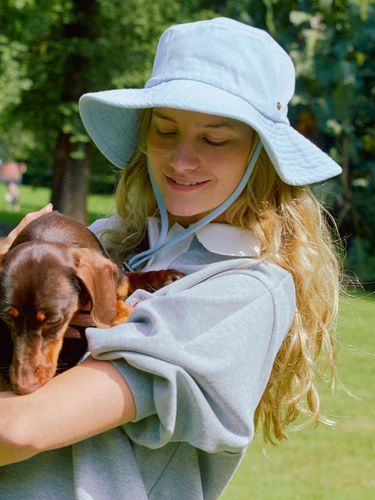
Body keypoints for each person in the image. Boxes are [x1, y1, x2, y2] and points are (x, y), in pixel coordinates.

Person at [0, 17, 342, 499]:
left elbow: (19, 429)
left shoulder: (246, 289)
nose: (182, 160)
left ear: (260, 156)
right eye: (165, 131)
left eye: (215, 139)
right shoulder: (101, 245)